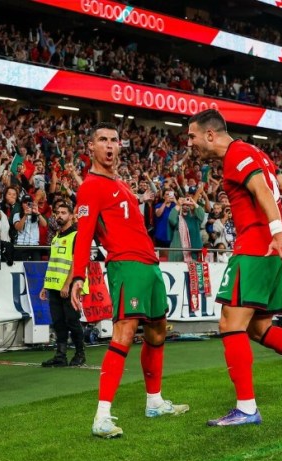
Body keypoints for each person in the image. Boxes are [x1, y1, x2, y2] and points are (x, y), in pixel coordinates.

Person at [186, 109, 282, 427]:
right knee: (257, 328)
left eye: (191, 136)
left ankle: (246, 408)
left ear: (210, 134)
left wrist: (277, 231)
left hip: (258, 248)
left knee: (230, 324)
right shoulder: (257, 154)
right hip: (271, 251)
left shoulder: (236, 154)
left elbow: (261, 191)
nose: (189, 143)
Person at [70, 122, 188, 439]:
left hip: (150, 264)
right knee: (124, 332)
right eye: (102, 140)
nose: (109, 145)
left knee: (158, 329)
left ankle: (154, 401)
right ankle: (102, 417)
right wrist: (78, 274)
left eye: (114, 140)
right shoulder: (90, 186)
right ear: (91, 147)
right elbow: (83, 235)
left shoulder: (120, 184)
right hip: (126, 265)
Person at [39, 202, 86, 367]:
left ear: (72, 216)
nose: (59, 215)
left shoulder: (76, 235)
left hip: (70, 286)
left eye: (64, 212)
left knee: (72, 320)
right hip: (54, 286)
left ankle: (80, 353)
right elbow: (53, 263)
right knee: (58, 322)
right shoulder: (56, 237)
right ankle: (61, 355)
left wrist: (67, 284)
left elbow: (76, 262)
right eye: (57, 212)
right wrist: (46, 285)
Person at [167, 195, 205, 262]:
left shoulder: (195, 220)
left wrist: (193, 203)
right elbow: (171, 219)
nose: (185, 206)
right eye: (183, 205)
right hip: (178, 253)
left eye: (187, 205)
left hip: (193, 255)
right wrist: (178, 205)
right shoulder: (177, 219)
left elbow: (202, 215)